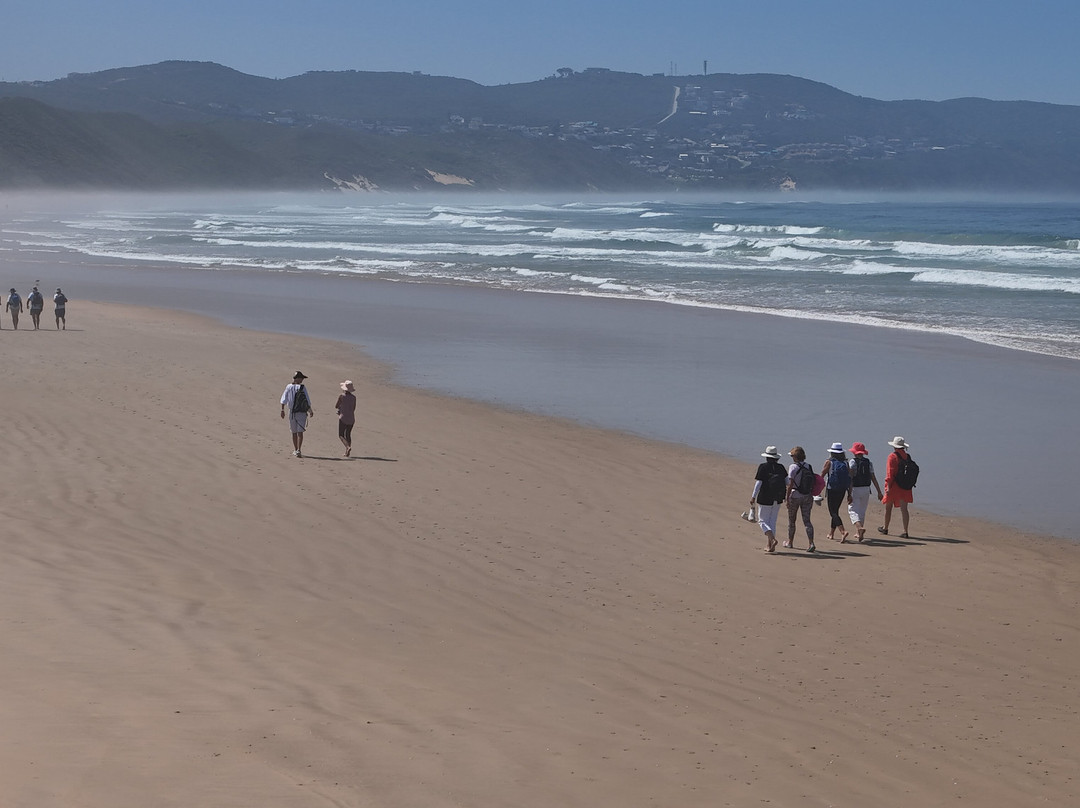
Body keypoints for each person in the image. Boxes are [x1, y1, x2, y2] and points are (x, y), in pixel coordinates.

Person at [750, 446, 787, 553]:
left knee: (762, 521)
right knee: (772, 522)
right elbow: (787, 482)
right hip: (778, 498)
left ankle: (772, 539)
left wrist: (753, 496)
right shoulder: (781, 467)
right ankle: (770, 546)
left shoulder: (763, 467)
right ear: (776, 457)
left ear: (766, 457)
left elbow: (759, 483)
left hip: (765, 497)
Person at [847, 442, 883, 542]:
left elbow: (850, 478)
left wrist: (849, 493)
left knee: (853, 510)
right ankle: (859, 533)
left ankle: (859, 528)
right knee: (862, 510)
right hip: (866, 489)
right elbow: (873, 478)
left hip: (856, 488)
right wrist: (879, 492)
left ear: (854, 452)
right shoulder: (868, 462)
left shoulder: (852, 462)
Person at [879, 436, 914, 538]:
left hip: (894, 485)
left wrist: (888, 487)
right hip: (905, 485)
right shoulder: (907, 456)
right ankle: (905, 531)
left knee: (888, 507)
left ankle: (885, 528)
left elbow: (890, 473)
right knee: (904, 509)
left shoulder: (892, 456)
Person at [785, 446, 817, 553]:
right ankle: (811, 542)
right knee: (807, 521)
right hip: (807, 496)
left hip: (795, 496)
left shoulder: (792, 467)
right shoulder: (808, 466)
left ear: (795, 457)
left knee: (792, 520)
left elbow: (790, 484)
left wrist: (787, 497)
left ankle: (790, 542)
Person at [821, 442, 852, 543]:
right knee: (835, 511)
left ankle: (843, 531)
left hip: (832, 489)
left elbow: (822, 475)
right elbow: (850, 479)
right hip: (842, 489)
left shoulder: (829, 462)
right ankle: (831, 533)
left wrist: (816, 488)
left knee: (832, 512)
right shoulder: (846, 463)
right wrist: (849, 494)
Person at [280, 370, 314, 457]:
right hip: (301, 412)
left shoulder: (288, 387)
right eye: (301, 378)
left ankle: (295, 449)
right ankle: (299, 449)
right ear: (298, 378)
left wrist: (282, 410)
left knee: (294, 432)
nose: (302, 380)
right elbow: (307, 400)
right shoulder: (302, 387)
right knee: (300, 432)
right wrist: (310, 410)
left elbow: (284, 399)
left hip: (292, 412)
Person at [335, 379, 357, 457]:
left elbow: (336, 406)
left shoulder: (341, 396)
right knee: (348, 434)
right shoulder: (354, 397)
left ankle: (347, 447)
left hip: (343, 417)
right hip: (351, 418)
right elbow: (354, 408)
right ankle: (347, 452)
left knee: (341, 434)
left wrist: (341, 408)